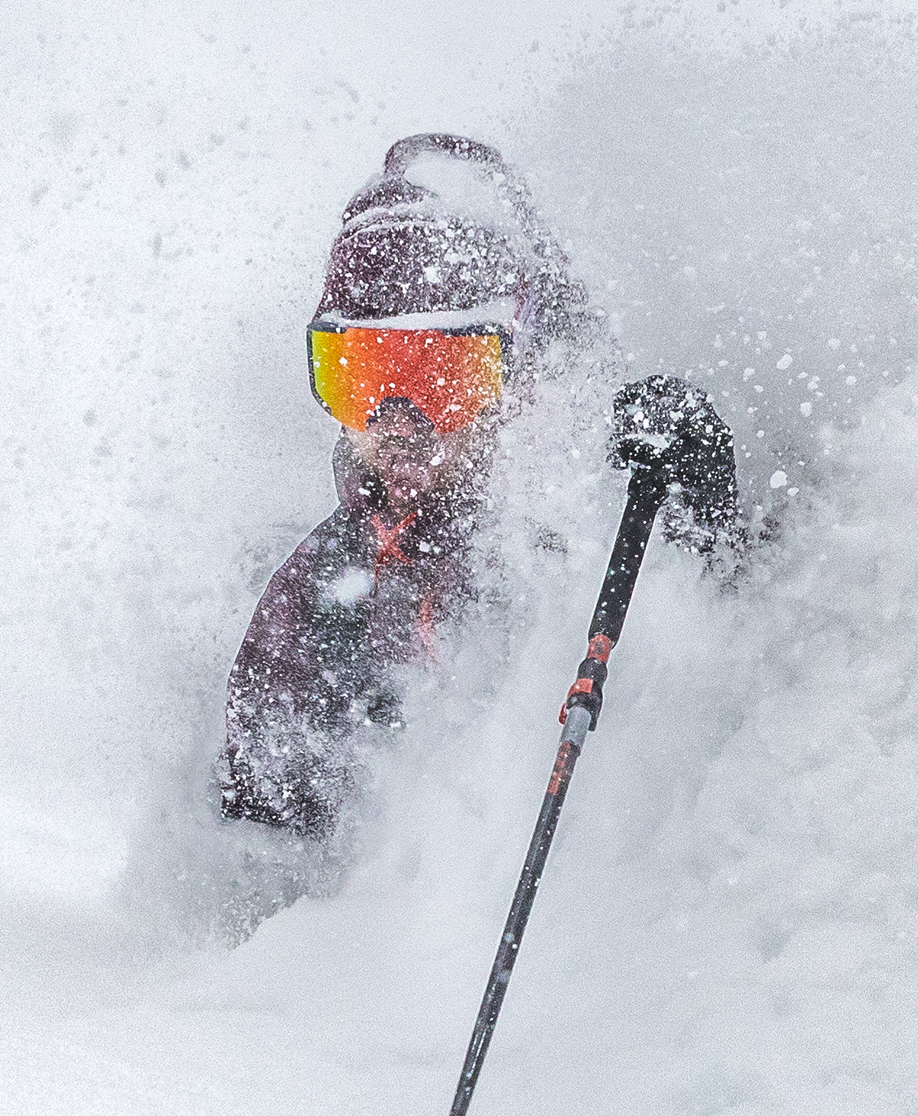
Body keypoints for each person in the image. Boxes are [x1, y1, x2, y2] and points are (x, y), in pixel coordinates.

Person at [143, 133, 733, 938]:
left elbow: (737, 668)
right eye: (361, 375)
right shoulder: (317, 601)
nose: (398, 422)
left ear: (514, 382)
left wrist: (707, 508)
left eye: (439, 378)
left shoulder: (598, 522)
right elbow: (255, 889)